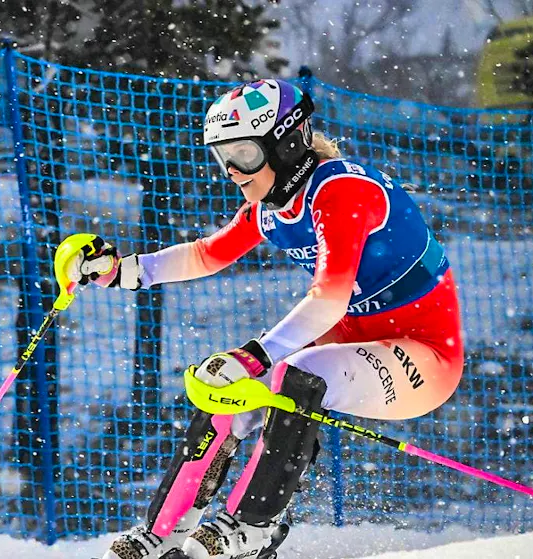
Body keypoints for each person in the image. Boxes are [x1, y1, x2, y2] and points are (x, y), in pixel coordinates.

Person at [70, 79, 464, 559]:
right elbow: (206, 255)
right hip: (352, 341)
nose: (233, 171)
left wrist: (253, 356)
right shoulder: (270, 205)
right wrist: (124, 271)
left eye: (243, 154)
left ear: (287, 142)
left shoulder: (341, 190)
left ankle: (252, 528)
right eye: (222, 157)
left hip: (423, 358)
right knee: (227, 391)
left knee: (296, 373)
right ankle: (163, 532)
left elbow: (328, 300)